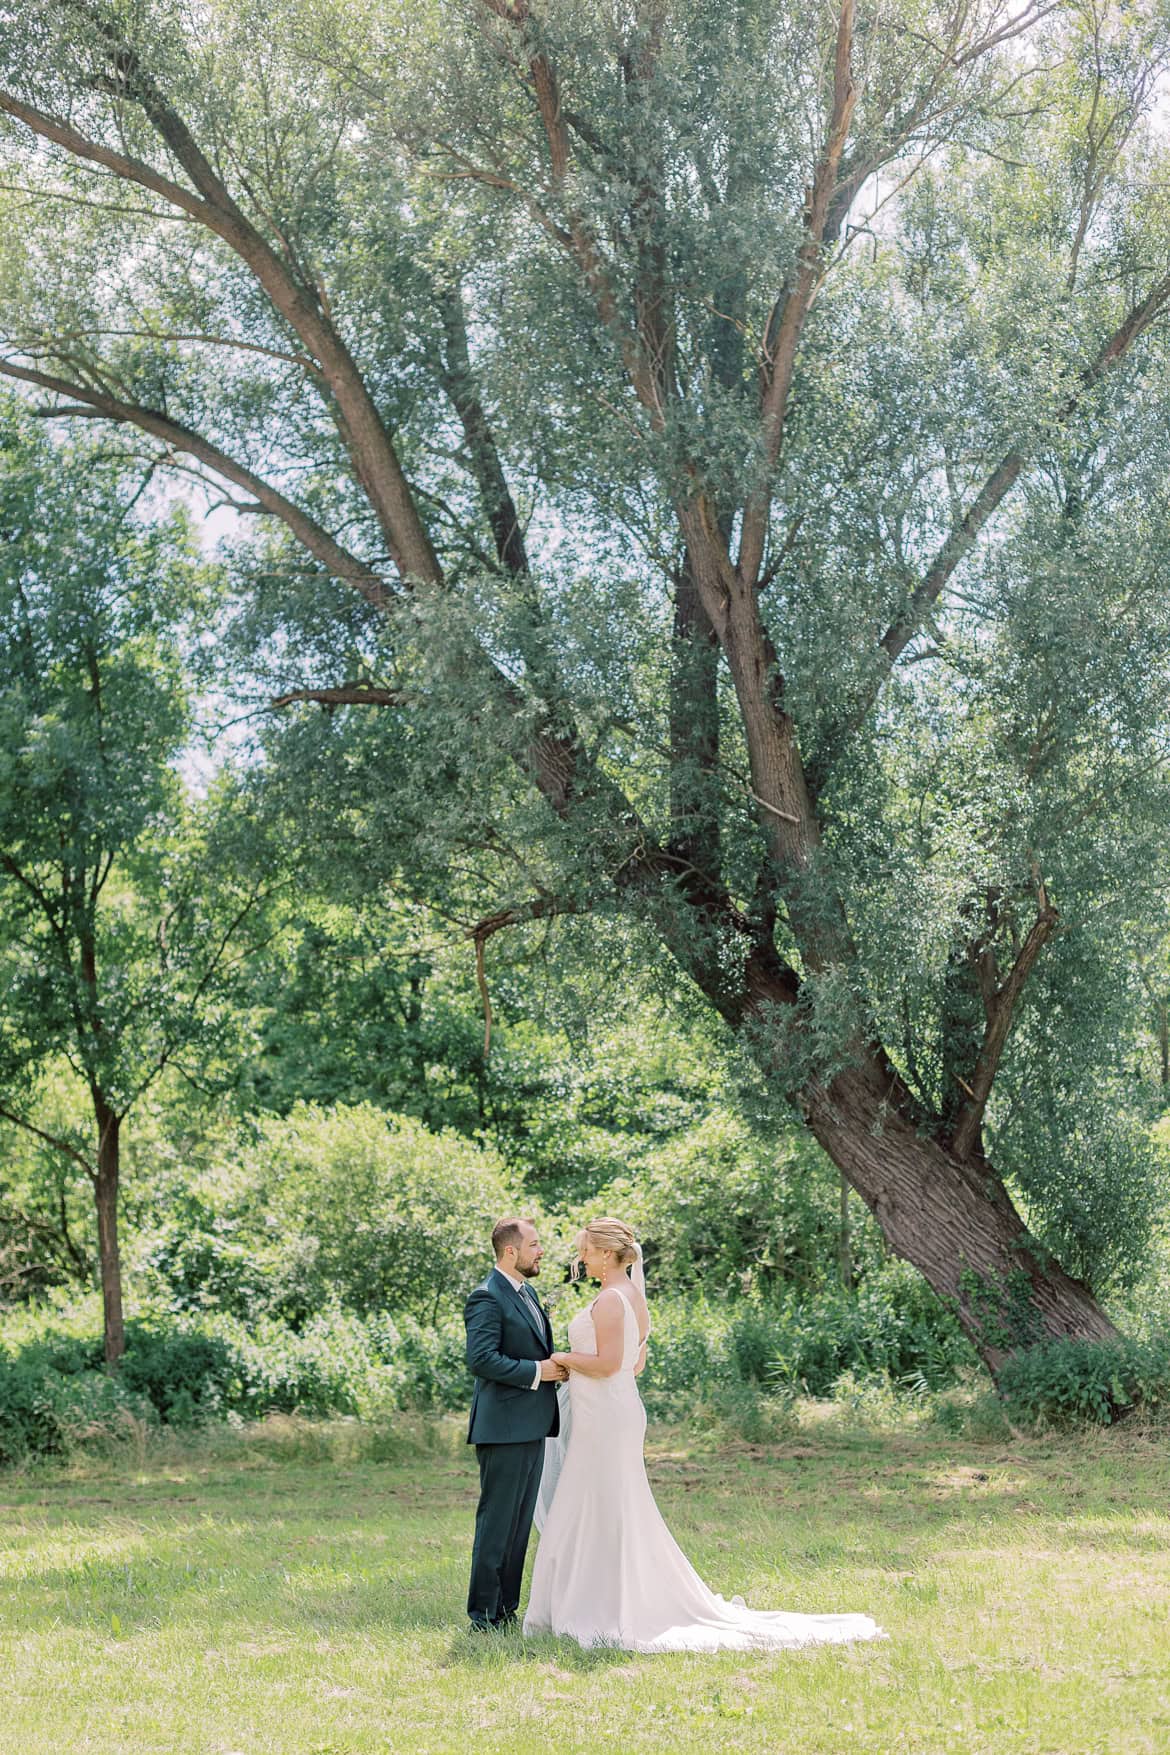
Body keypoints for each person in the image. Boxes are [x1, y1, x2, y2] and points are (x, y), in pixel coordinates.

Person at [524, 1216, 885, 1653]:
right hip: (614, 1411)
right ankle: (600, 1595)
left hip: (604, 1419)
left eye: (584, 1250)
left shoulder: (608, 1302)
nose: (580, 1257)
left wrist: (563, 1357)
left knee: (596, 1502)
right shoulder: (632, 1297)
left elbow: (605, 1364)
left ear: (604, 1252)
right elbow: (633, 1366)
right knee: (608, 1503)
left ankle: (592, 1605)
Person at [463, 1215, 567, 1632]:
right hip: (503, 1427)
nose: (541, 1251)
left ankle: (506, 1610)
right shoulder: (487, 1297)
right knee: (497, 1524)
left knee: (519, 1526)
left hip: (531, 1425)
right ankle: (483, 1617)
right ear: (511, 1251)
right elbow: (481, 1359)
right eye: (535, 1245)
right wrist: (539, 1371)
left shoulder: (527, 1292)